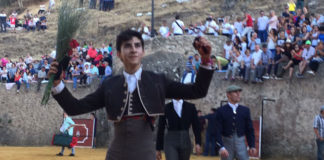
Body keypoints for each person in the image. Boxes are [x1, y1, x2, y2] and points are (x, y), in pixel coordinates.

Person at [48, 30, 214, 160]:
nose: (133, 49)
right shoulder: (109, 85)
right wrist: (57, 84)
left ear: (142, 52)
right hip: (115, 155)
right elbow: (75, 107)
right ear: (119, 54)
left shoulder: (158, 81)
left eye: (137, 45)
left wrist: (205, 59)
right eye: (127, 46)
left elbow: (197, 91)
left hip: (145, 155)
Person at [215, 85, 257, 160]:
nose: (238, 94)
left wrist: (252, 145)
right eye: (235, 92)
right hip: (226, 144)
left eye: (239, 92)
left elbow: (249, 129)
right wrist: (221, 147)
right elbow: (217, 130)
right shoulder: (221, 111)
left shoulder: (245, 110)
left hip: (241, 144)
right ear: (228, 94)